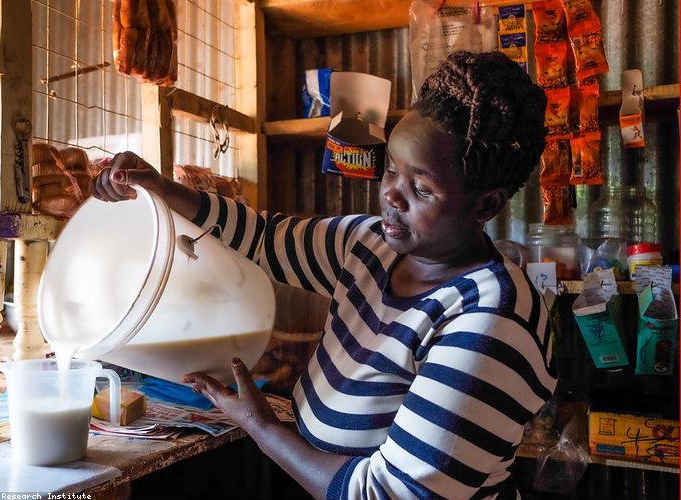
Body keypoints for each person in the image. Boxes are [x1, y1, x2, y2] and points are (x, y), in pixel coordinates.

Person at [93, 51, 557, 500]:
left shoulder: (491, 322)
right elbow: (261, 238)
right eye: (391, 170)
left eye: (421, 188)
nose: (393, 195)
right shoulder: (371, 245)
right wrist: (160, 188)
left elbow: (383, 494)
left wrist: (261, 426)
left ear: (488, 205)